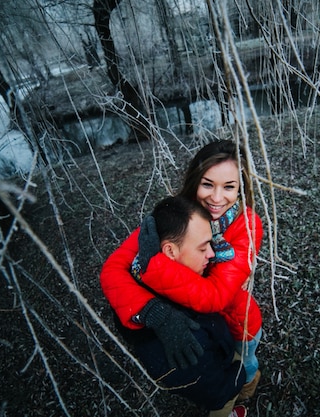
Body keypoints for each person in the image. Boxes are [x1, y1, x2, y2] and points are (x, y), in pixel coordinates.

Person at [101, 140, 263, 414]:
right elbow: (113, 269)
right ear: (194, 181)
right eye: (208, 184)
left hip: (238, 322)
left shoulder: (247, 226)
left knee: (244, 365)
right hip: (199, 327)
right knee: (215, 376)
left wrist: (154, 265)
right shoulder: (175, 216)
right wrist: (152, 311)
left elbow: (216, 295)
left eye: (229, 187)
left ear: (241, 188)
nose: (216, 197)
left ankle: (246, 389)